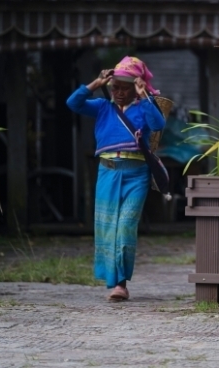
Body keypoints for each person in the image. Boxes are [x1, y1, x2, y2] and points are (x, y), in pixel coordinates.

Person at [66, 56, 165, 301]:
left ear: (135, 86)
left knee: (126, 226)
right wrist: (95, 83)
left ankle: (122, 283)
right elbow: (73, 103)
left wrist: (144, 95)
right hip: (107, 172)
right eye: (115, 87)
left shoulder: (144, 105)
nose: (119, 92)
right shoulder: (102, 107)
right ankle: (115, 283)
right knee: (109, 228)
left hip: (137, 174)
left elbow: (158, 123)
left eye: (125, 87)